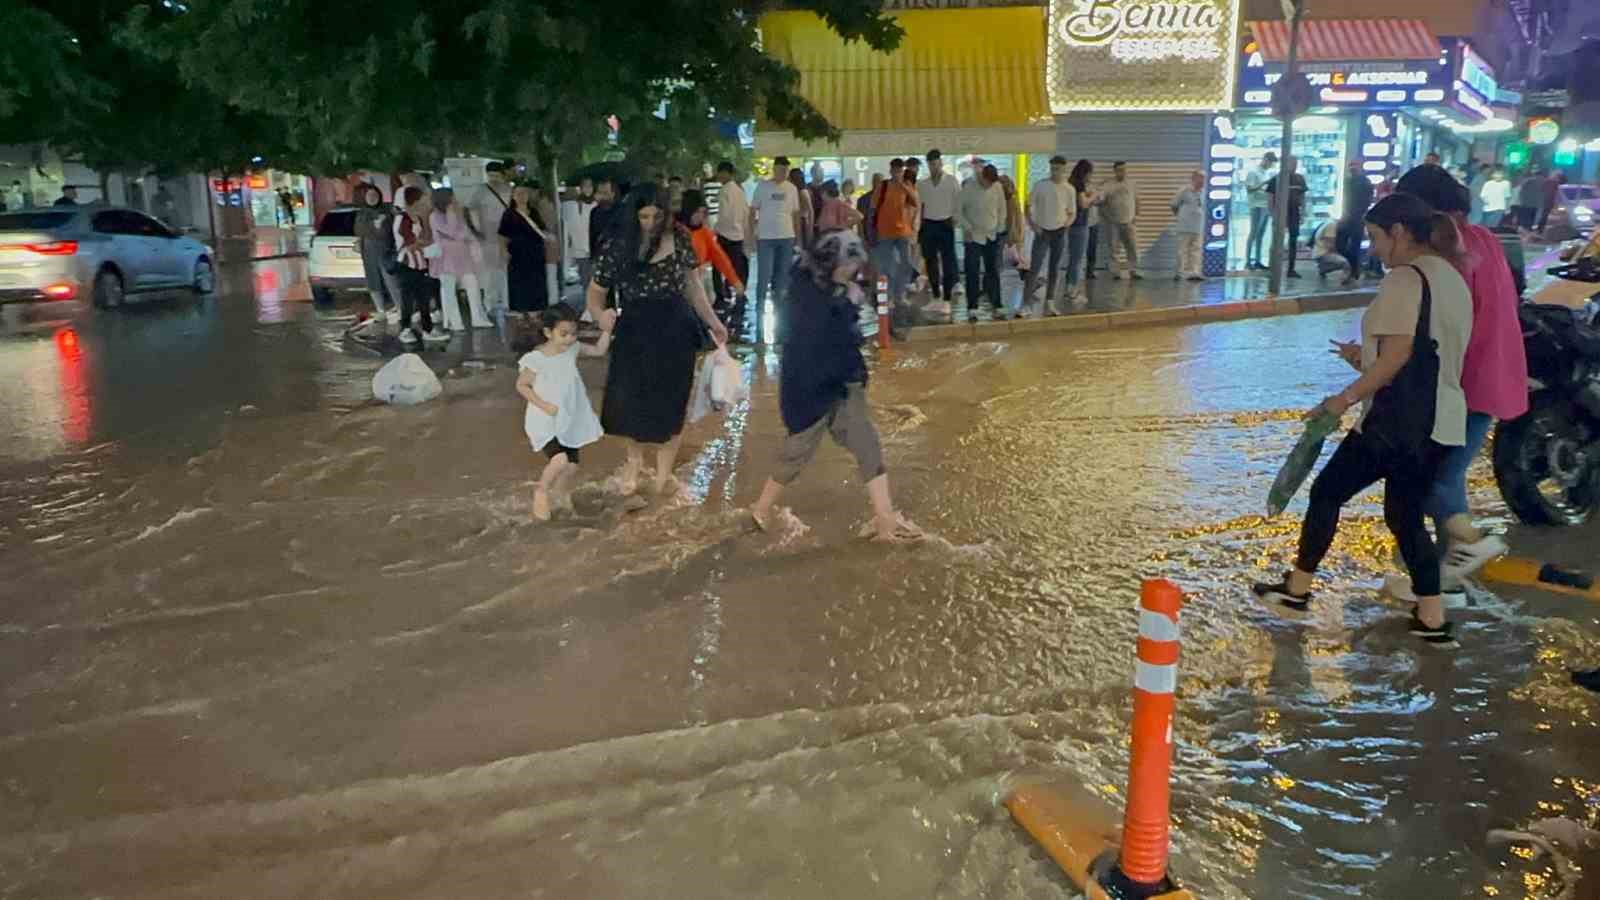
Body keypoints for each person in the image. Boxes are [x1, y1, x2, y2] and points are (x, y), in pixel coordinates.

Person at [1253, 192, 1474, 645]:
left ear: (1399, 233)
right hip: (1442, 420)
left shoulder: (1404, 280)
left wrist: (1342, 399)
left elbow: (1398, 356)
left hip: (1395, 425)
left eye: (1376, 238)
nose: (1372, 248)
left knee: (1327, 491)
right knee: (1405, 516)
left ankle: (1297, 590)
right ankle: (1432, 618)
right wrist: (1364, 358)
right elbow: (1426, 354)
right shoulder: (1451, 278)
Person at [1378, 164, 1528, 604]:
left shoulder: (1445, 252)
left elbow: (1437, 325)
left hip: (1461, 380)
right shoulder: (1484, 239)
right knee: (1446, 474)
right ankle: (1442, 586)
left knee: (1431, 482)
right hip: (1494, 373)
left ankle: (1468, 545)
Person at [748, 231, 921, 543]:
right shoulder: (805, 293)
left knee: (867, 444)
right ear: (829, 261)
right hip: (811, 388)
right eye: (847, 265)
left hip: (843, 383)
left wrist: (849, 305)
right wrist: (847, 307)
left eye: (855, 266)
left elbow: (845, 337)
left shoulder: (841, 290)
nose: (852, 272)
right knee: (796, 452)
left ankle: (885, 519)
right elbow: (819, 340)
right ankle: (760, 509)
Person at [586, 186, 729, 496]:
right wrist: (600, 316)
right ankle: (634, 463)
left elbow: (694, 286)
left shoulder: (679, 237)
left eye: (656, 216)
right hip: (634, 328)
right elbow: (595, 292)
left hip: (676, 327)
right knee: (629, 401)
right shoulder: (618, 243)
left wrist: (714, 322)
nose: (650, 223)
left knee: (672, 402)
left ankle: (663, 475)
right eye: (643, 216)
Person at [516, 304, 614, 521]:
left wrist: (607, 330)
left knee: (571, 466)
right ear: (548, 332)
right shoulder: (536, 358)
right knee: (559, 460)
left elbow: (598, 351)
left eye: (573, 333)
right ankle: (541, 491)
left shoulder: (572, 348)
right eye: (563, 334)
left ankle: (560, 493)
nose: (569, 339)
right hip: (545, 419)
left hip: (569, 417)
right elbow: (522, 386)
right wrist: (544, 405)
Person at [752, 157, 802, 344]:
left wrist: (798, 238)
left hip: (786, 238)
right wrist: (751, 236)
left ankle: (781, 328)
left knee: (782, 283)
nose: (782, 174)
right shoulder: (762, 187)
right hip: (765, 238)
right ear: (774, 169)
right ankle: (759, 328)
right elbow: (752, 211)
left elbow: (796, 214)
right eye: (780, 170)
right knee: (763, 281)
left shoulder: (792, 189)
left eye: (786, 171)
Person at [392, 185, 448, 346]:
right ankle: (405, 329)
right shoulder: (403, 218)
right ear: (414, 200)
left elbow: (421, 239)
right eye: (423, 199)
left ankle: (427, 329)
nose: (426, 202)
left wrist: (428, 244)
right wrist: (428, 244)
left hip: (420, 263)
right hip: (406, 263)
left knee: (423, 297)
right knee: (407, 298)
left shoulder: (418, 217)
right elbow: (408, 243)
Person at [430, 193, 492, 331]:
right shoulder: (435, 216)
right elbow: (450, 232)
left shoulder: (458, 213)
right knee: (449, 290)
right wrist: (452, 216)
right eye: (452, 198)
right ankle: (454, 322)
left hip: (463, 255)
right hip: (445, 257)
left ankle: (478, 318)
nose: (455, 200)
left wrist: (460, 231)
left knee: (472, 284)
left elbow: (465, 233)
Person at [1025, 156, 1076, 315]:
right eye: (1053, 168)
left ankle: (1050, 302)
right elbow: (1027, 206)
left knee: (1054, 268)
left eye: (1059, 169)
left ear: (1064, 170)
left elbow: (1072, 212)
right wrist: (1033, 226)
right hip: (1042, 231)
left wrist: (1067, 224)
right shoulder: (1041, 186)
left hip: (1060, 231)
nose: (1056, 172)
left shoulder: (1069, 189)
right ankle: (1025, 304)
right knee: (1035, 267)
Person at [870, 158, 920, 312]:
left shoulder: (907, 186)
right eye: (896, 170)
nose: (898, 173)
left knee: (905, 264)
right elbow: (873, 208)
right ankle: (888, 297)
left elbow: (916, 202)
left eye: (900, 170)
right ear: (891, 170)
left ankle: (900, 295)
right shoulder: (883, 186)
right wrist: (872, 230)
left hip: (903, 232)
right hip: (885, 232)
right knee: (886, 266)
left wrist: (904, 187)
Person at [678, 189, 745, 300]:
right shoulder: (674, 231)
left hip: (698, 284)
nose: (700, 216)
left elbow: (719, 257)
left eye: (703, 212)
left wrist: (735, 281)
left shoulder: (704, 233)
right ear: (687, 211)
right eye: (696, 212)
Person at [466, 162, 513, 317]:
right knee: (491, 272)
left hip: (508, 237)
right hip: (489, 238)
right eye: (491, 175)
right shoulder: (480, 191)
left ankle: (509, 304)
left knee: (508, 272)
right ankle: (489, 305)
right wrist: (475, 231)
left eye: (497, 176)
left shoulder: (510, 191)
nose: (494, 179)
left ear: (502, 175)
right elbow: (467, 210)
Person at [958, 164, 1004, 322]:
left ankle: (997, 304)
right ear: (982, 177)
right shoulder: (969, 187)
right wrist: (967, 228)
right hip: (973, 237)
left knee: (993, 271)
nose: (990, 185)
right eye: (988, 182)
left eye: (992, 183)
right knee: (972, 272)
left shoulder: (997, 187)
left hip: (991, 235)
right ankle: (972, 307)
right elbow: (957, 211)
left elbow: (1002, 209)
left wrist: (999, 227)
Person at [499, 185, 553, 313]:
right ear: (513, 196)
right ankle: (520, 311)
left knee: (537, 281)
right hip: (517, 253)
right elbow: (502, 235)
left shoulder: (534, 212)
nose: (522, 196)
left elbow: (542, 229)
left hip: (535, 252)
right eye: (518, 194)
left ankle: (537, 309)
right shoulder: (509, 214)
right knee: (519, 283)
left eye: (524, 193)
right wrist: (503, 250)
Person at [917, 149, 960, 307]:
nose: (933, 167)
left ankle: (947, 298)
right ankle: (936, 295)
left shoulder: (951, 181)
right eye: (930, 164)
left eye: (935, 163)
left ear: (940, 163)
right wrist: (919, 226)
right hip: (928, 224)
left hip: (945, 223)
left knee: (948, 261)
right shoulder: (922, 184)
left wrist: (955, 220)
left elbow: (958, 202)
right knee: (930, 261)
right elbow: (919, 207)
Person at [711, 161, 750, 319]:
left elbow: (724, 215)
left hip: (724, 234)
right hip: (738, 235)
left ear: (726, 173)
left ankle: (721, 297)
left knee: (718, 267)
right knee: (736, 269)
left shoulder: (724, 191)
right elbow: (744, 212)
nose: (719, 176)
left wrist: (716, 231)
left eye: (720, 173)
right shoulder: (739, 191)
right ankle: (739, 296)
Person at [353, 185, 396, 317]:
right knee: (373, 279)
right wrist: (375, 227)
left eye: (375, 195)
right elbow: (360, 231)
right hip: (369, 251)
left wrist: (377, 228)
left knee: (390, 278)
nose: (372, 198)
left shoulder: (386, 212)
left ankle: (399, 306)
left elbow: (387, 232)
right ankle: (380, 309)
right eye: (369, 196)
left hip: (386, 250)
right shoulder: (362, 213)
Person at [1266, 157, 1308, 278]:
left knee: (1293, 241)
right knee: (1276, 241)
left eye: (1295, 164)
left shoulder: (1300, 179)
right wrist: (1273, 214)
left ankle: (1291, 269)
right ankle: (1273, 267)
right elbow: (1270, 198)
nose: (1294, 166)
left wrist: (1303, 212)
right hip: (1280, 213)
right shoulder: (1276, 179)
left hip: (1294, 213)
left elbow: (1302, 197)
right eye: (1292, 164)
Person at [1338, 161, 1376, 286]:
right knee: (1341, 245)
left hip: (1358, 218)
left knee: (1354, 245)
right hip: (1347, 217)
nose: (1352, 168)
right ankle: (1353, 268)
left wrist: (1362, 214)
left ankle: (1353, 271)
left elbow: (1369, 199)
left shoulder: (1365, 182)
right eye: (1350, 166)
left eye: (1355, 165)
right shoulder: (1348, 182)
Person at [1063, 160, 1097, 301]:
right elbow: (1083, 204)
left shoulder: (1070, 182)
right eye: (1090, 174)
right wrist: (1093, 196)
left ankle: (1069, 288)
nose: (1091, 177)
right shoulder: (1079, 184)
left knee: (1074, 258)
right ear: (1085, 173)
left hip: (1072, 225)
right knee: (1077, 259)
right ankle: (1072, 290)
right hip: (1079, 224)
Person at [996, 171, 1025, 318]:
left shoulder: (1011, 199)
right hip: (1007, 236)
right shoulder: (1009, 198)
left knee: (1005, 264)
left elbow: (1015, 220)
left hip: (1008, 237)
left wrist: (1016, 237)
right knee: (1007, 264)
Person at [565, 178, 597, 304]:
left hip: (595, 248)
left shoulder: (598, 204)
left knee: (596, 282)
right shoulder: (575, 205)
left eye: (590, 186)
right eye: (585, 186)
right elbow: (572, 227)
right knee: (585, 281)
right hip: (581, 249)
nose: (588, 189)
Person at [1171, 170, 1206, 281]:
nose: (1202, 181)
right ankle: (1179, 273)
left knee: (1196, 250)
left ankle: (1194, 273)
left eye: (1204, 178)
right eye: (1200, 178)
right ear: (1193, 178)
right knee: (1182, 250)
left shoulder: (1203, 192)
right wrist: (1180, 217)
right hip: (1185, 226)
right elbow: (1174, 205)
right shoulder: (1184, 190)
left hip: (1198, 226)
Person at [1245, 152, 1277, 269]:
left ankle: (1258, 260)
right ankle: (1248, 260)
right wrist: (1264, 184)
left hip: (1265, 205)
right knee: (1254, 232)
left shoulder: (1265, 173)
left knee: (1260, 235)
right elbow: (1249, 189)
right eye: (1270, 162)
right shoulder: (1253, 172)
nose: (1270, 165)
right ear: (1265, 159)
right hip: (1256, 205)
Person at [589, 178, 620, 264]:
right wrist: (592, 258)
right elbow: (592, 236)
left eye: (605, 193)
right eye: (600, 193)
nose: (602, 196)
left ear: (613, 194)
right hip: (599, 258)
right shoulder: (594, 212)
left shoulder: (622, 211)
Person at [787, 167, 815, 251]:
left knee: (801, 247)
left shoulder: (803, 192)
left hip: (802, 222)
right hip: (797, 221)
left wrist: (810, 228)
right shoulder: (795, 191)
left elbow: (810, 211)